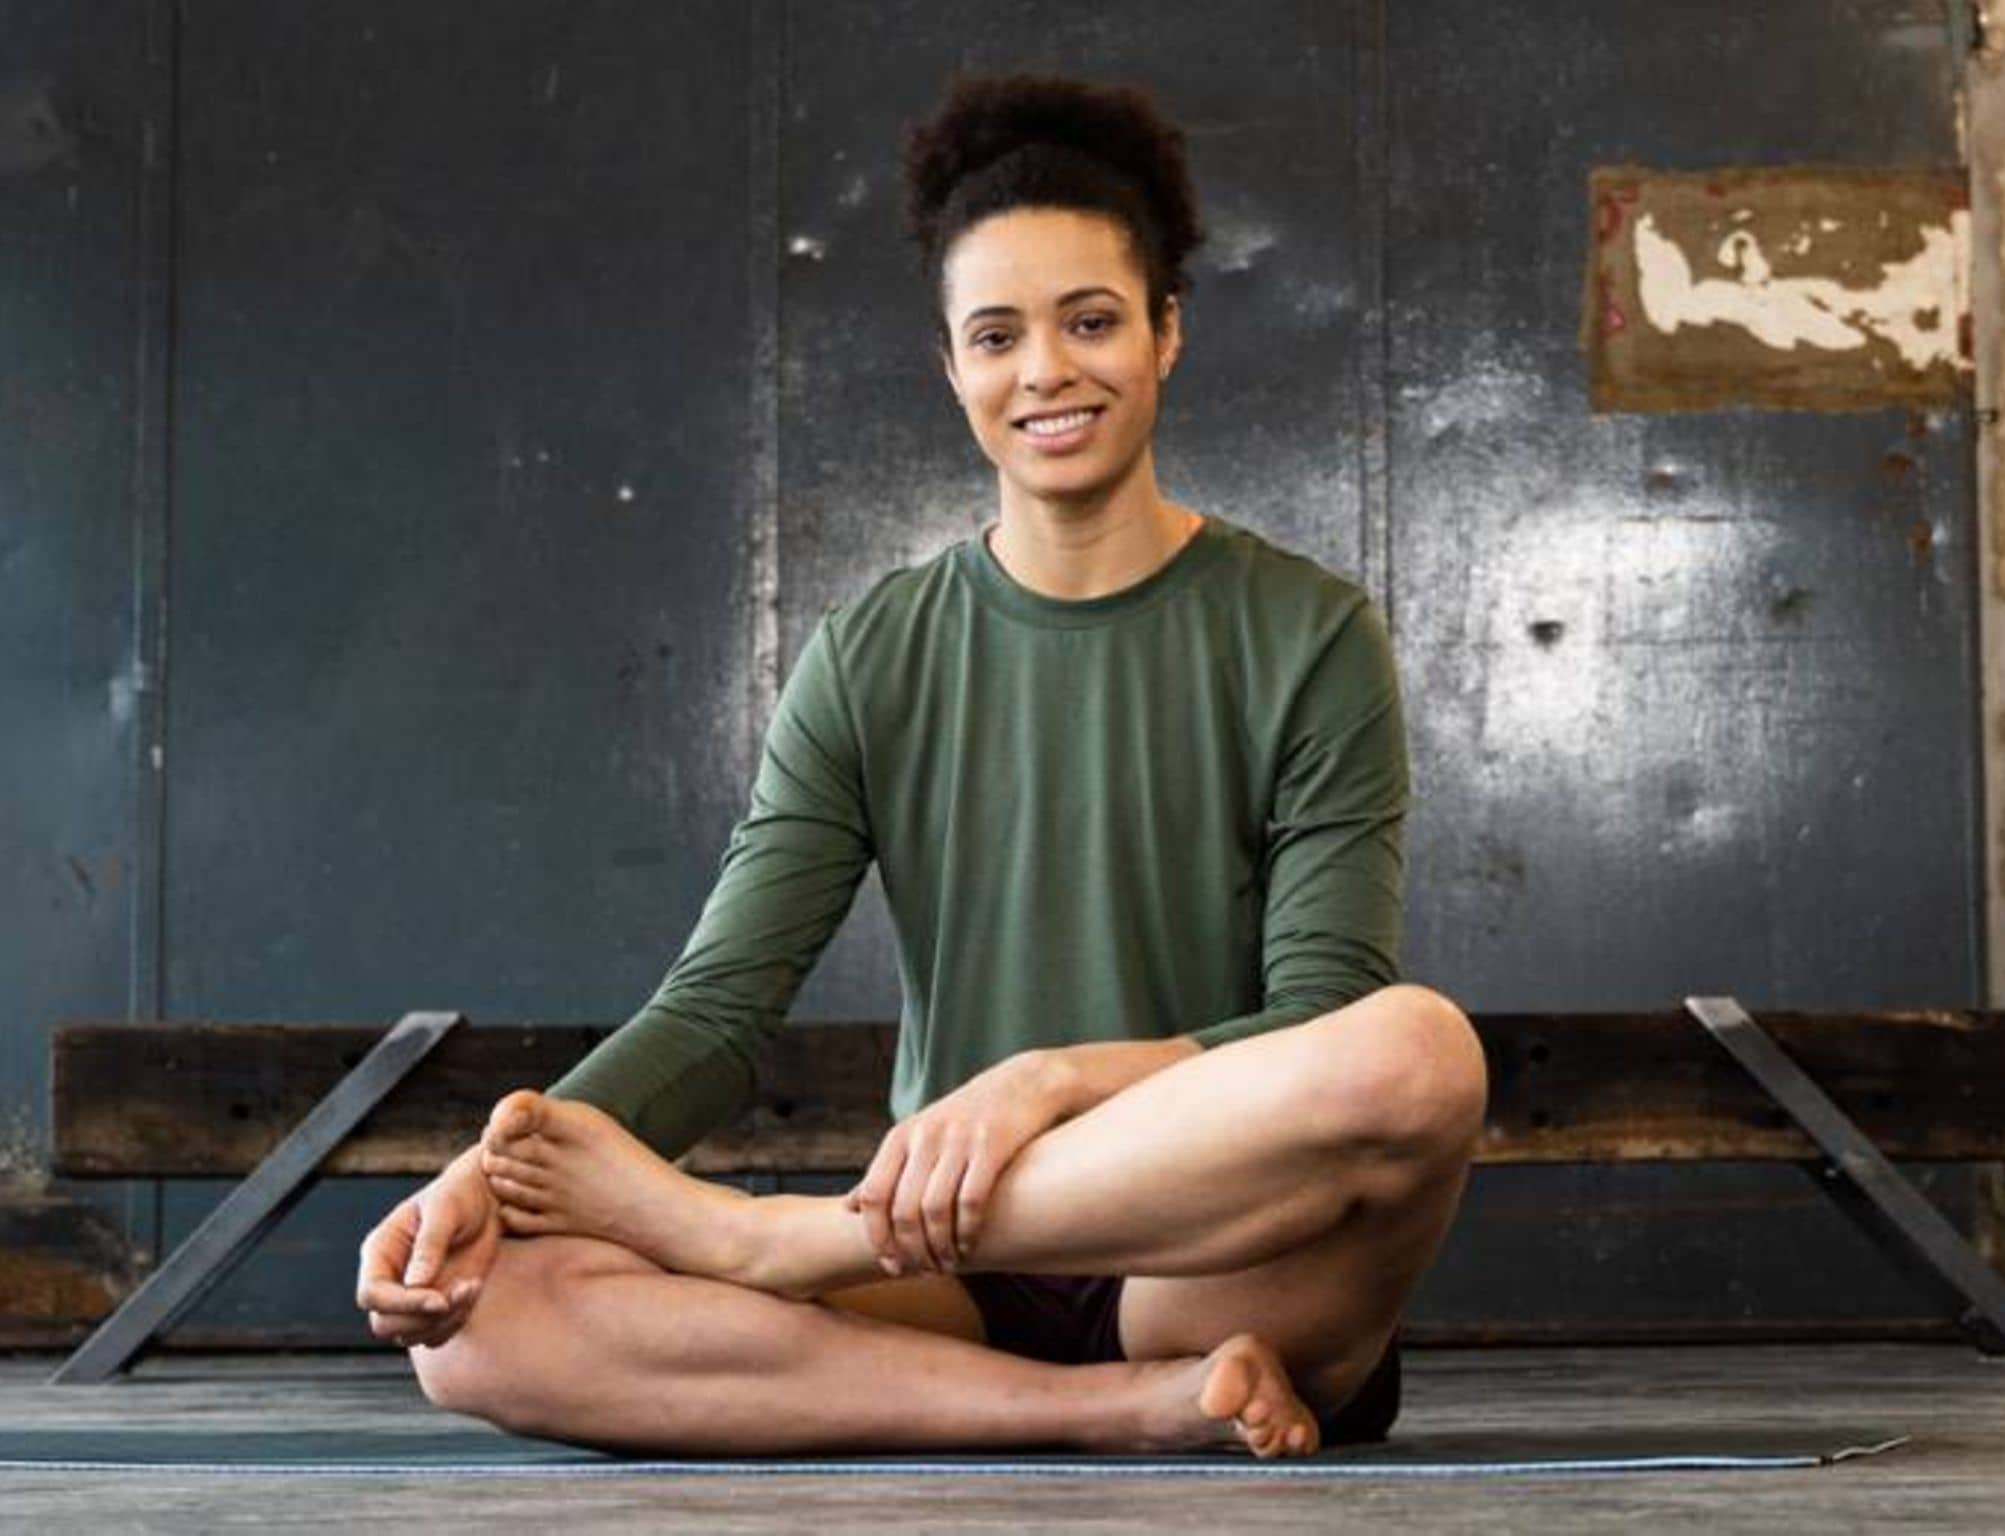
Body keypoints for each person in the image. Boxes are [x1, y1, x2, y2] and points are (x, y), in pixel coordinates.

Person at [355, 70, 1486, 1460]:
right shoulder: (872, 655)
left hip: (1215, 1258)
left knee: (1419, 1055)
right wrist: (490, 1178)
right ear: (951, 367)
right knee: (481, 1326)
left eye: (1091, 322)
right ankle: (1101, 1414)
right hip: (941, 1269)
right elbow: (719, 1009)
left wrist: (1047, 1082)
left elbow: (1323, 1024)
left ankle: (796, 1248)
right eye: (997, 335)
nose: (1046, 373)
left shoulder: (1309, 636)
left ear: (1167, 333)